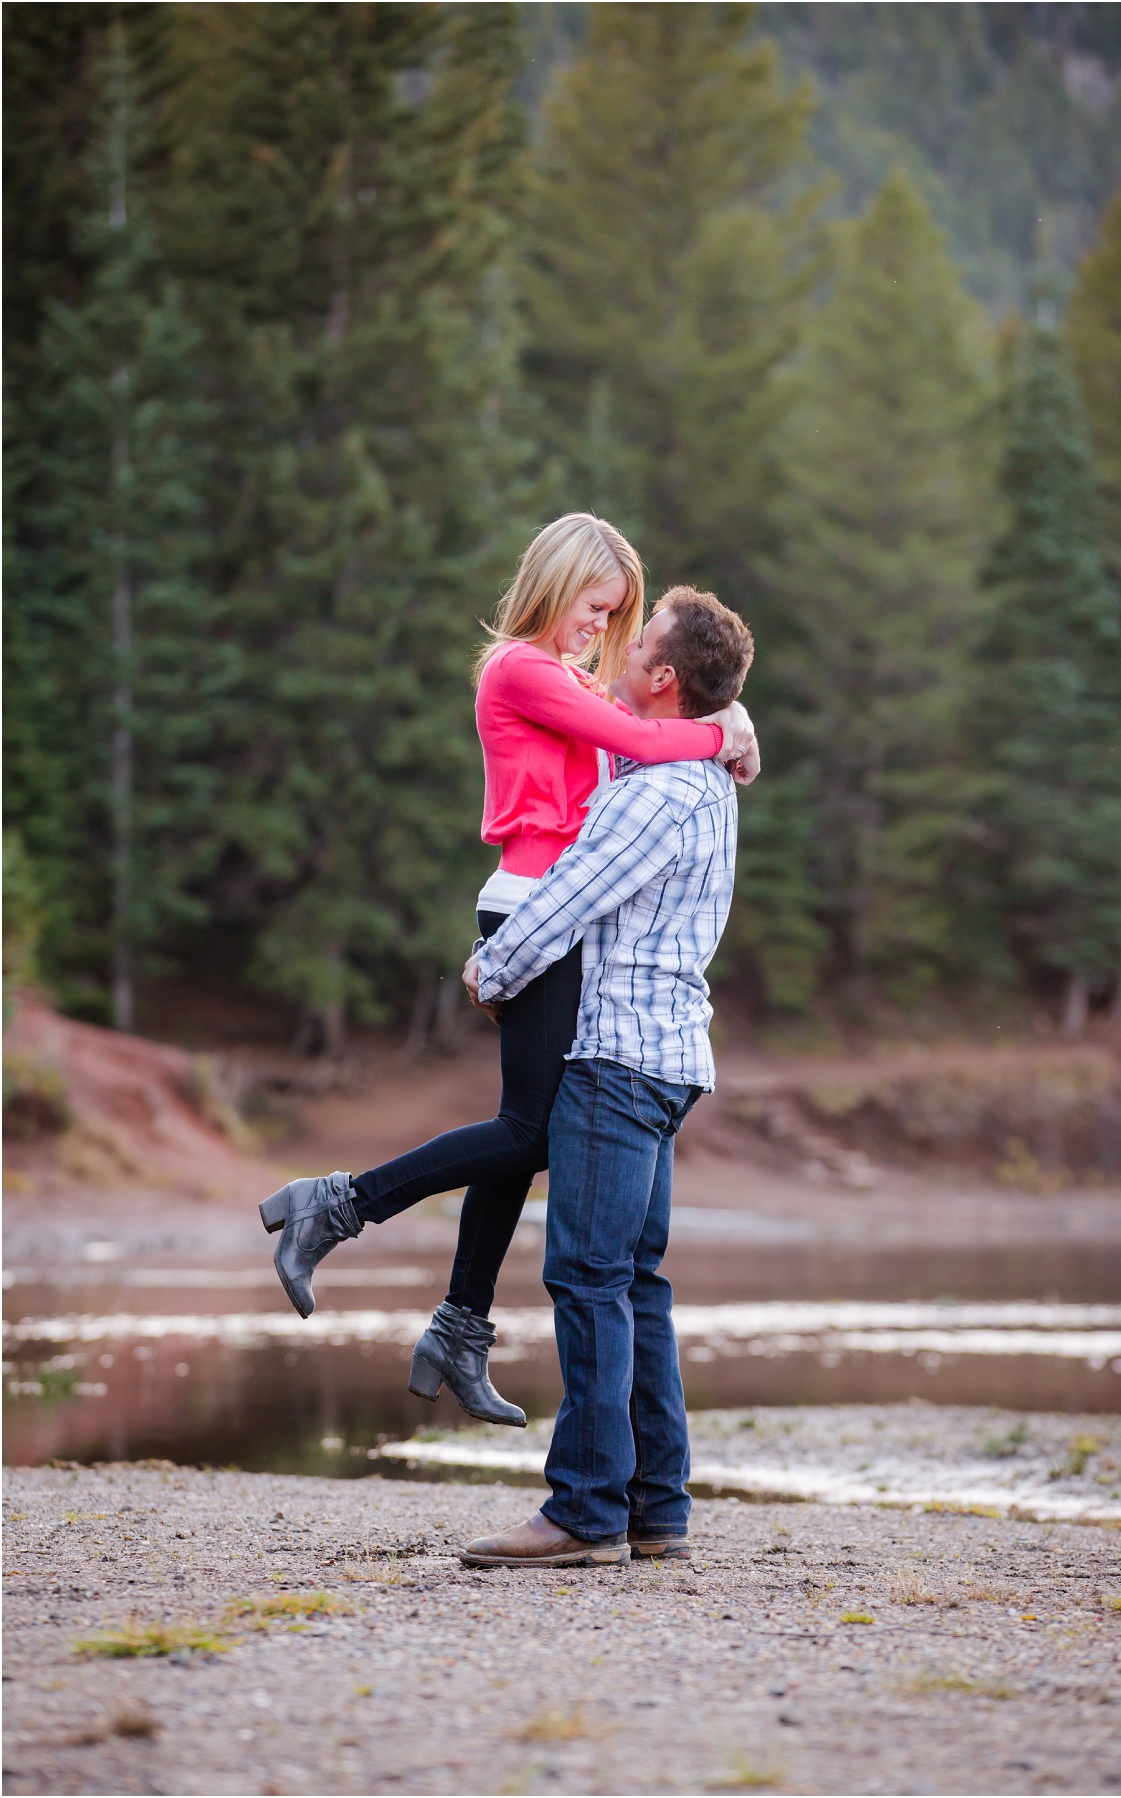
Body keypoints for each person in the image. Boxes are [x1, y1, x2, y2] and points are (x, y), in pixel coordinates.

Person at [258, 517, 757, 1428]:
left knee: (524, 1129)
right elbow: (649, 743)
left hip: (557, 910)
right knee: (533, 1135)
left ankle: (458, 1324)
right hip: (533, 907)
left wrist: (727, 717)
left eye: (617, 618)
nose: (601, 629)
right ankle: (337, 1207)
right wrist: (722, 737)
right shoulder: (519, 669)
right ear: (556, 583)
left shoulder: (569, 676)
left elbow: (651, 714)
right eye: (594, 607)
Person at [458, 586, 753, 1568]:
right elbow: (616, 735)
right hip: (671, 1060)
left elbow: (566, 900)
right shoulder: (691, 779)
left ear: (664, 678)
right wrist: (733, 728)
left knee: (586, 1277)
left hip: (617, 1060)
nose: (619, 657)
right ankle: (656, 1506)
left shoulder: (656, 794)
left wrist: (489, 969)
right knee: (638, 1282)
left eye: (640, 650)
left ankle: (584, 1509)